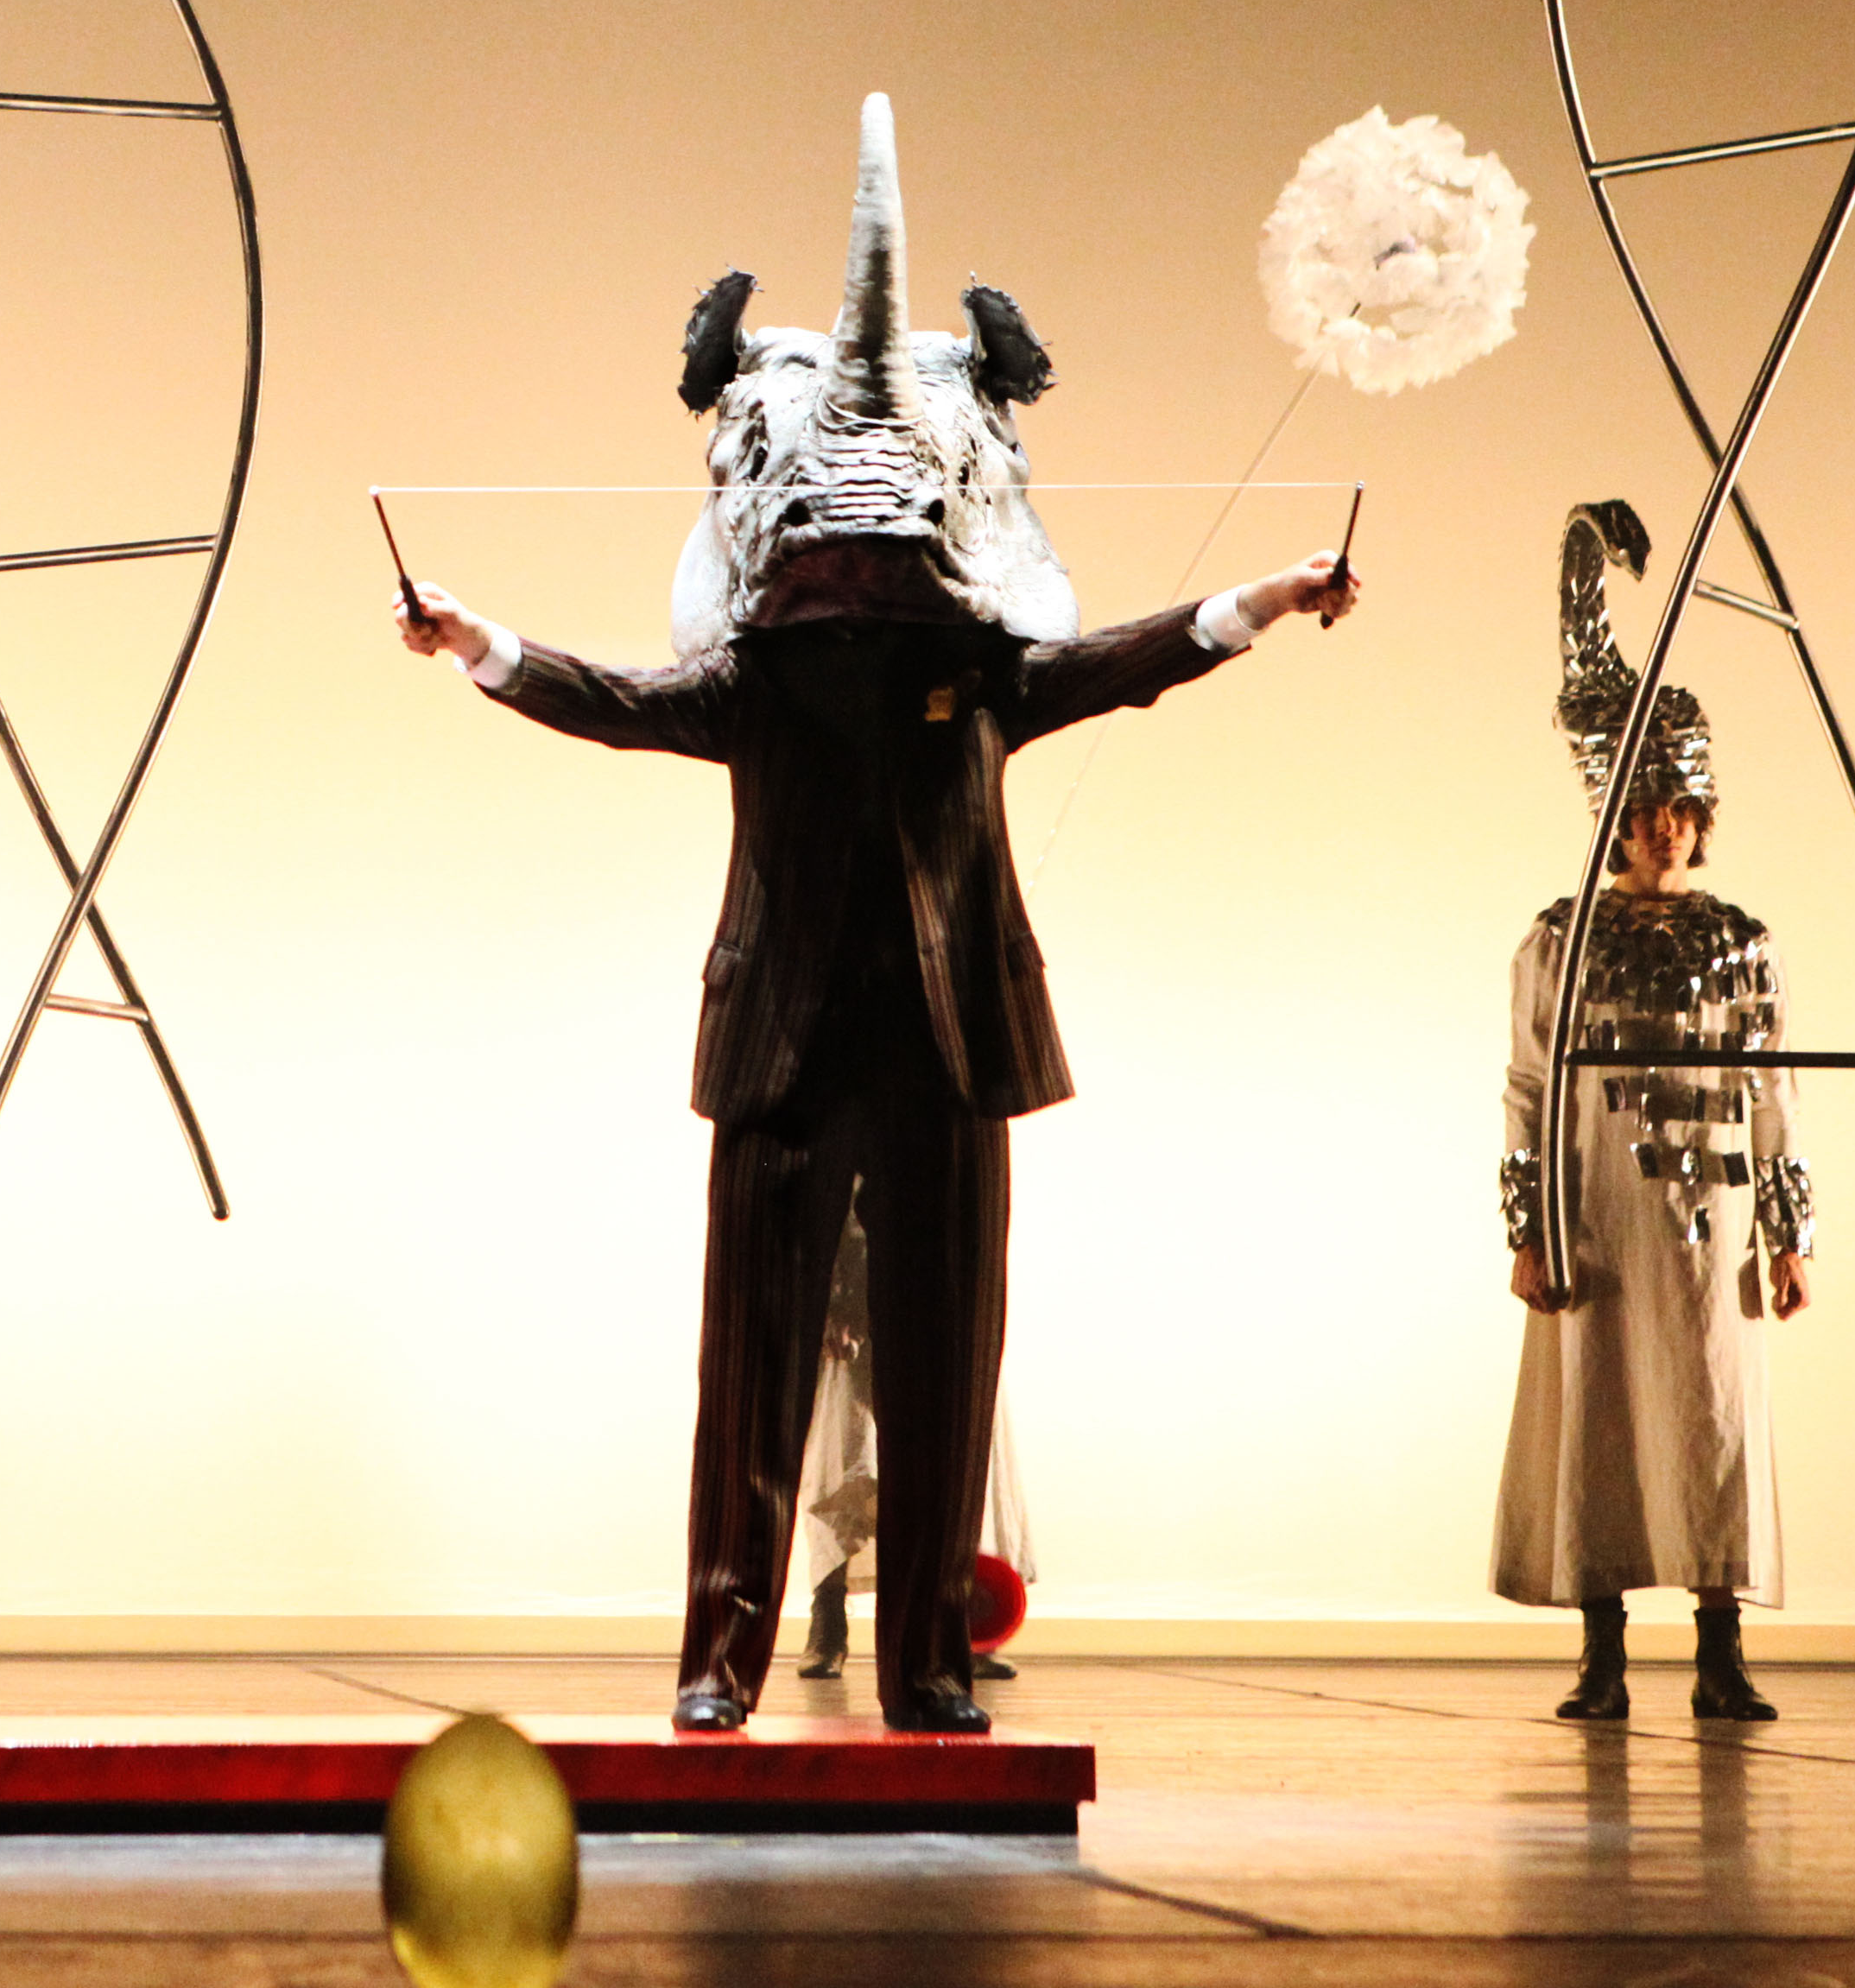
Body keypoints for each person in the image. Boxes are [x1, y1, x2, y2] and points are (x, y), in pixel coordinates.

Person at [393, 94, 1358, 1735]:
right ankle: (718, 1665)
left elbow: (1127, 660)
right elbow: (611, 698)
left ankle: (926, 1667)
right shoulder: (757, 678)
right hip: (782, 1047)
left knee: (943, 1372)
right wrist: (479, 641)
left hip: (947, 1046)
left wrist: (1263, 597)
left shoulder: (980, 675)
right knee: (747, 1376)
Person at [1497, 501, 1812, 1724]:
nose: (1659, 830)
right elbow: (1530, 1088)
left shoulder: (1742, 941)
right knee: (1602, 1428)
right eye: (1640, 811)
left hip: (1710, 1225)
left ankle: (1720, 1653)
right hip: (1600, 1217)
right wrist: (1530, 1229)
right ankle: (1604, 1658)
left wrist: (1788, 1234)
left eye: (1676, 810)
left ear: (1700, 816)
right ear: (1612, 817)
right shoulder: (1560, 938)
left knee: (1712, 1421)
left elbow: (1772, 1088)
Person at [793, 1217, 1034, 1687]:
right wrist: (834, 1299)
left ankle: (960, 1626)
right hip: (860, 1285)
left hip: (942, 1291)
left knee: (959, 1464)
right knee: (843, 1457)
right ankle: (829, 1621)